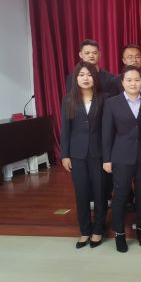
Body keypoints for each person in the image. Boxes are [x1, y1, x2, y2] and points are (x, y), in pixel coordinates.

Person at [102, 65, 141, 253]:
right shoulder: (112, 103)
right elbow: (107, 133)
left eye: (137, 80)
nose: (133, 83)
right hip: (121, 156)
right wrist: (107, 159)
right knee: (120, 195)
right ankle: (120, 233)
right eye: (129, 80)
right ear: (122, 82)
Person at [60, 61, 107, 249]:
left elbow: (107, 129)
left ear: (94, 77)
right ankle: (85, 230)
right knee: (81, 193)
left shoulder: (104, 98)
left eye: (89, 75)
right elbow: (65, 130)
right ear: (76, 78)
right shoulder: (68, 99)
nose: (85, 78)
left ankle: (98, 230)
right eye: (81, 75)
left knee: (100, 192)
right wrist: (65, 155)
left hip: (98, 152)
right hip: (77, 153)